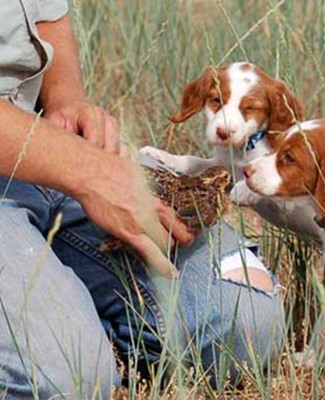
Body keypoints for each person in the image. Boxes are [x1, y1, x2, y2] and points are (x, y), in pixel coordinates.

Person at [0, 1, 284, 398]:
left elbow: (45, 14)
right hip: (56, 158)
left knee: (246, 322)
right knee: (65, 381)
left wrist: (66, 100)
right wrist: (88, 172)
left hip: (44, 136)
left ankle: (74, 323)